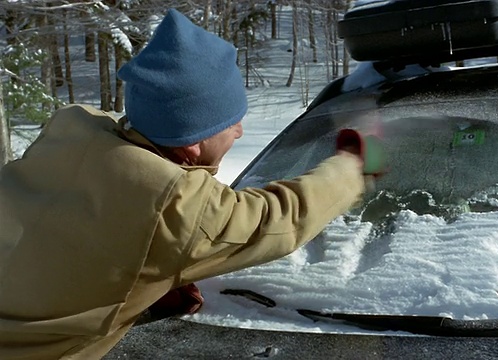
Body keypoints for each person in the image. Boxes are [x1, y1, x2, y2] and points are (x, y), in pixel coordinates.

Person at [0, 8, 385, 359]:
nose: (240, 131)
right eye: (230, 121)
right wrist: (355, 164)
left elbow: (62, 237)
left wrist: (142, 275)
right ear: (192, 142)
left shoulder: (72, 136)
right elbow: (281, 220)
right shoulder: (174, 203)